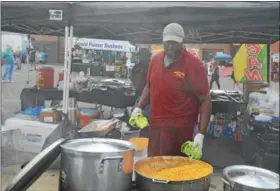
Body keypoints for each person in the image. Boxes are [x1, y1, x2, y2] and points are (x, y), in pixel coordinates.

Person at [131, 23, 212, 157]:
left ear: (181, 42)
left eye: (174, 43)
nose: (170, 46)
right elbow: (149, 86)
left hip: (180, 130)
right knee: (155, 166)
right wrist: (139, 107)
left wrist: (201, 134)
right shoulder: (155, 60)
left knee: (175, 170)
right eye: (167, 42)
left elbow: (205, 100)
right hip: (156, 126)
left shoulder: (193, 64)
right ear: (163, 40)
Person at [131, 48, 151, 120]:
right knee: (136, 115)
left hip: (149, 97)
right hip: (138, 94)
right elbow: (133, 79)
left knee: (144, 115)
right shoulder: (136, 67)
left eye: (143, 56)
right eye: (140, 56)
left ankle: (144, 128)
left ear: (148, 56)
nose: (141, 57)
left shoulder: (152, 66)